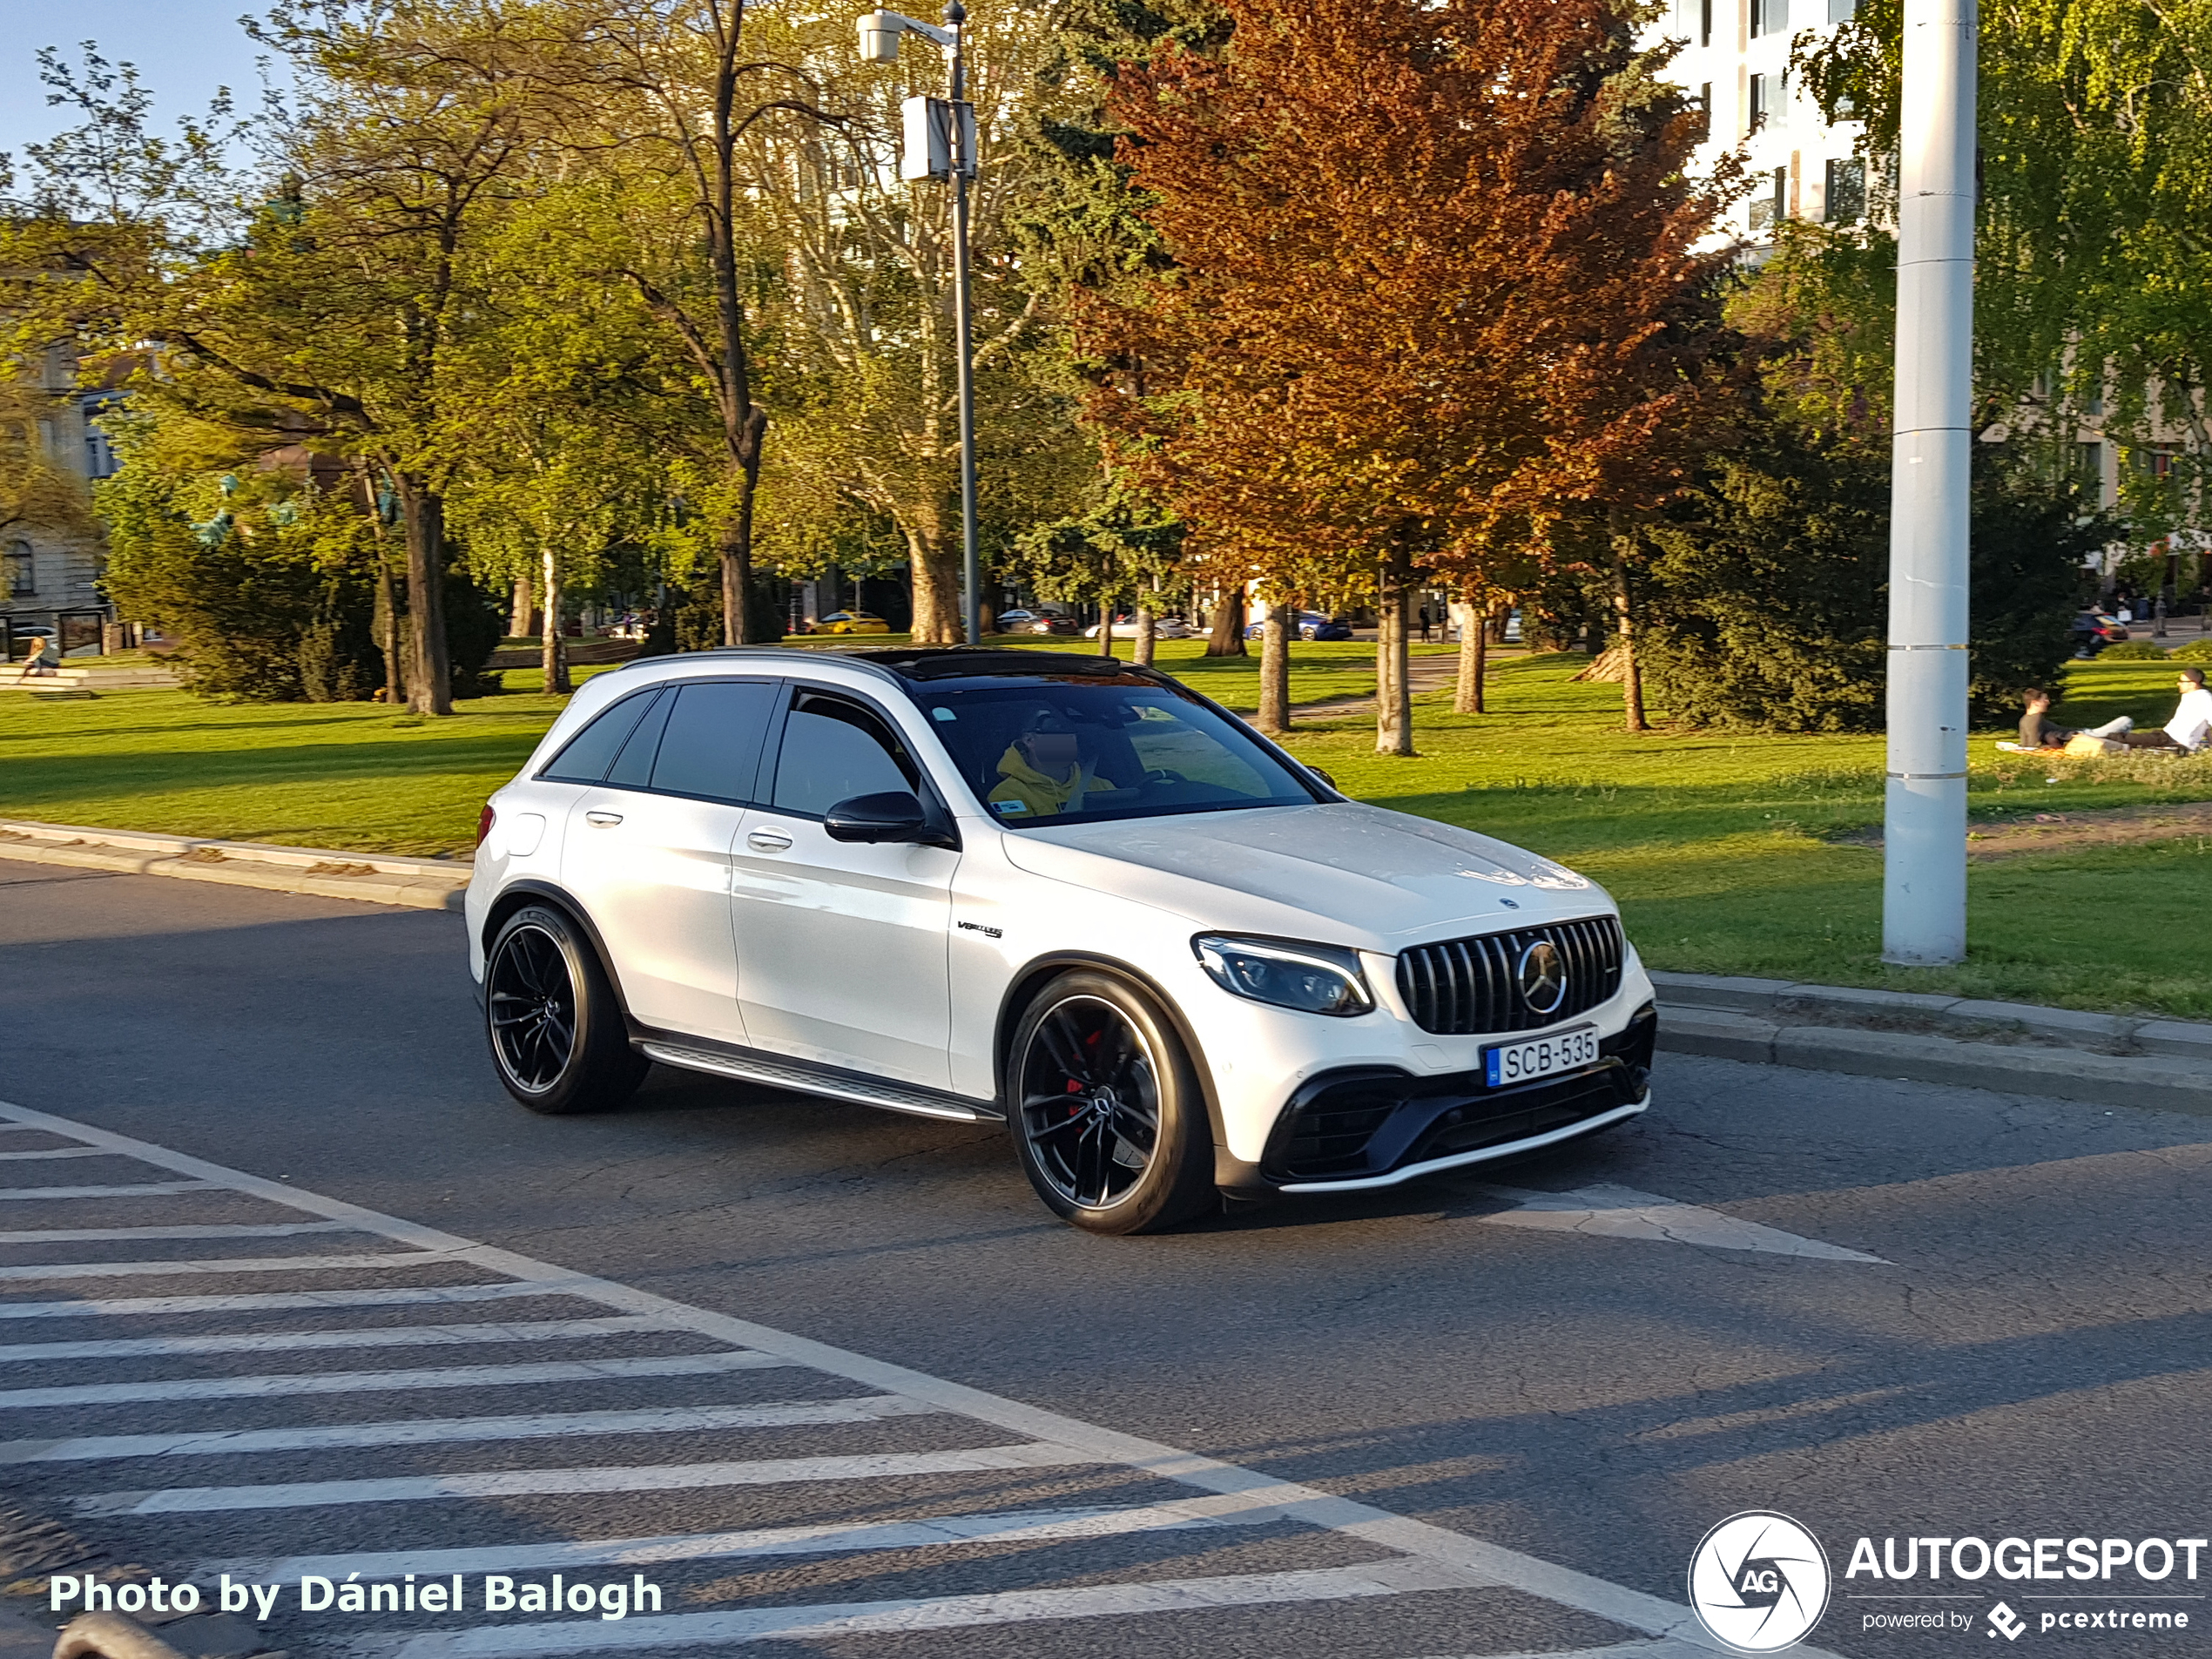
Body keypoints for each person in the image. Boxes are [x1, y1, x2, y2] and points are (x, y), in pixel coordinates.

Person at [988, 707, 1126, 819]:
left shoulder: (1102, 786)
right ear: (1029, 740)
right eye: (1054, 734)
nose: (1064, 742)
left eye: (1069, 735)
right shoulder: (1006, 796)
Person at [2122, 666, 2212, 752]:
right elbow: (2206, 727)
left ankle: (2115, 743)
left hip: (2171, 739)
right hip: (2166, 736)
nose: (2178, 683)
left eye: (2182, 681)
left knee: (2118, 737)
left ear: (2192, 684)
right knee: (2123, 732)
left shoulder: (2203, 698)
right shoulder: (2191, 695)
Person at [2014, 688, 2131, 750]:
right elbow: (2033, 745)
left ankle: (2119, 743)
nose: (2048, 702)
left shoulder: (2024, 719)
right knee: (2126, 721)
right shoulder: (2036, 719)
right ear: (2035, 703)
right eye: (2044, 700)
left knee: (2118, 730)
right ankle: (2122, 744)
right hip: (2084, 736)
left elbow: (2026, 744)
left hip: (2080, 734)